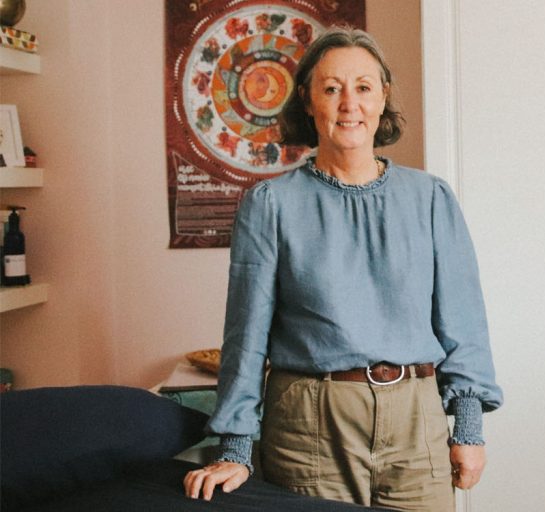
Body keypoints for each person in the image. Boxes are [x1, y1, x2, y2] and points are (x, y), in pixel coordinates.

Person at [183, 26, 503, 511]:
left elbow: (464, 323)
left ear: (382, 98)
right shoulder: (270, 204)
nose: (348, 103)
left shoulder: (431, 198)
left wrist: (469, 427)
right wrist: (235, 449)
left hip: (418, 425)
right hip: (309, 426)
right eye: (331, 88)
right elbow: (245, 335)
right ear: (308, 103)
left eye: (363, 87)